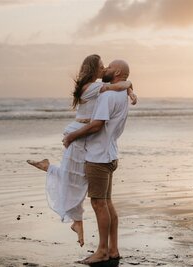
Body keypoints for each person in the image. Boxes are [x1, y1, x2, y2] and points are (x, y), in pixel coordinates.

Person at [27, 54, 137, 247]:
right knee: (76, 178)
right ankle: (78, 223)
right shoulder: (93, 88)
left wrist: (130, 91)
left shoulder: (102, 91)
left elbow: (121, 85)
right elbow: (120, 85)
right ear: (94, 69)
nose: (104, 69)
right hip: (80, 135)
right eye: (102, 66)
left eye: (107, 66)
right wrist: (129, 89)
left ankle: (50, 170)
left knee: (78, 179)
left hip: (85, 138)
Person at [62, 59, 131, 264]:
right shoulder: (120, 95)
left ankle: (101, 251)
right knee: (107, 203)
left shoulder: (108, 95)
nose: (106, 69)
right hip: (110, 154)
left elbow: (96, 125)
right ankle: (113, 249)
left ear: (117, 71)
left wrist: (71, 137)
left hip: (98, 157)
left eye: (109, 67)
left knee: (99, 203)